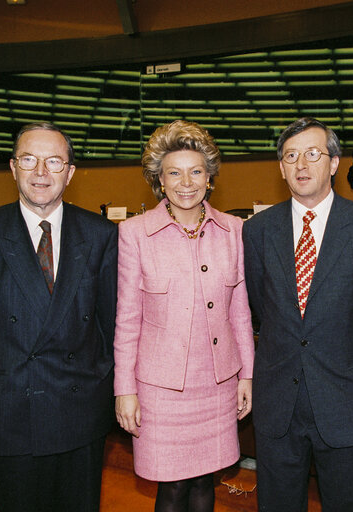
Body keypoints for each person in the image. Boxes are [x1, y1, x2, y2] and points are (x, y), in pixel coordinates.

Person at [0, 122, 118, 512]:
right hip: (10, 413)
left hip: (79, 415)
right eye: (29, 159)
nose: (41, 172)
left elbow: (112, 328)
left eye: (54, 161)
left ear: (70, 173)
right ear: (13, 167)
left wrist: (105, 392)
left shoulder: (102, 234)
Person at [243, 117, 353, 512]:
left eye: (313, 154)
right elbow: (261, 308)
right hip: (278, 401)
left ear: (333, 163)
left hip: (345, 399)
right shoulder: (257, 231)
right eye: (291, 156)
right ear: (280, 168)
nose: (301, 165)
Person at [113, 120, 255, 512]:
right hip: (161, 390)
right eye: (174, 172)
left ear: (209, 177)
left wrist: (247, 375)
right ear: (159, 180)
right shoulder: (134, 234)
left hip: (217, 384)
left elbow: (240, 313)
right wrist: (124, 390)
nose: (186, 182)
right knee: (172, 488)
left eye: (196, 171)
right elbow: (126, 320)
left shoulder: (234, 230)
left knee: (206, 481)